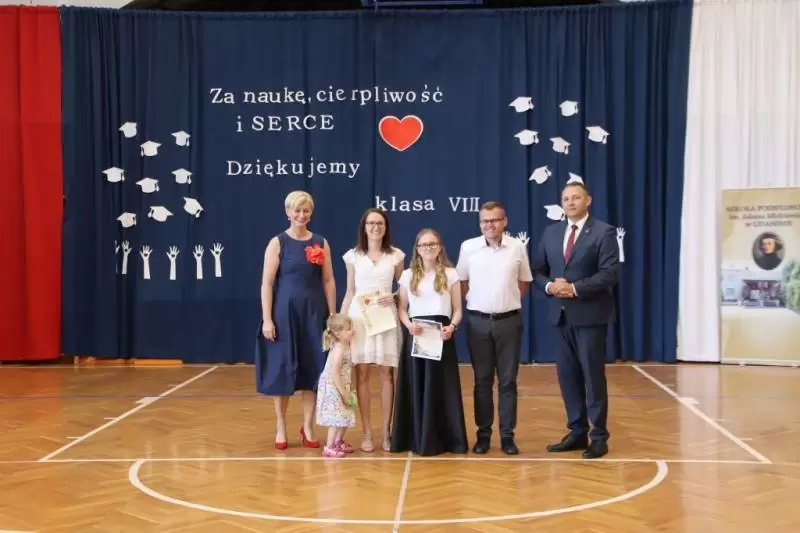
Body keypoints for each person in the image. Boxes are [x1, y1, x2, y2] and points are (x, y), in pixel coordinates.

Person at [531, 182, 620, 459]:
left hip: (591, 316)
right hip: (560, 317)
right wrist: (550, 287)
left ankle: (599, 436)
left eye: (576, 198)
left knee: (592, 377)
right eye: (566, 198)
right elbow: (537, 271)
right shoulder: (551, 232)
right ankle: (577, 431)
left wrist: (574, 288)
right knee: (568, 377)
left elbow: (610, 273)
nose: (570, 202)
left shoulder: (604, 232)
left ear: (588, 200)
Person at [255, 190, 337, 450]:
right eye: (297, 210)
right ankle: (281, 426)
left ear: (311, 213)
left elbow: (328, 280)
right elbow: (267, 283)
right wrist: (267, 319)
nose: (301, 215)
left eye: (306, 210)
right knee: (282, 369)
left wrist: (332, 315)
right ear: (288, 212)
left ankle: (308, 426)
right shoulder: (277, 242)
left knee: (314, 369)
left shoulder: (321, 242)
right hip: (284, 315)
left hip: (314, 314)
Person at [456, 201, 532, 455]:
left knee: (508, 382)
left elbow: (524, 282)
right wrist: (478, 302)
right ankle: (484, 435)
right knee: (482, 381)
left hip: (509, 322)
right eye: (485, 221)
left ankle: (507, 436)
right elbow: (462, 282)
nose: (490, 225)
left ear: (504, 221)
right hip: (477, 323)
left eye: (495, 220)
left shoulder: (517, 246)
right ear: (480, 224)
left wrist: (505, 302)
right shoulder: (468, 247)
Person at [391, 228, 468, 456]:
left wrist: (452, 327)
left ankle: (447, 440)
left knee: (442, 386)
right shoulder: (407, 276)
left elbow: (457, 310)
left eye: (432, 244)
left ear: (440, 247)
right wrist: (408, 325)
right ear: (417, 249)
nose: (428, 248)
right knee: (417, 385)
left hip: (442, 336)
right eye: (424, 245)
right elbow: (402, 309)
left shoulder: (451, 274)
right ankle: (415, 438)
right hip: (417, 335)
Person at [339, 208, 405, 452]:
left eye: (380, 223)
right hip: (360, 319)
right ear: (364, 227)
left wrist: (394, 296)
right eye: (371, 223)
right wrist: (340, 323)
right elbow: (350, 291)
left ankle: (386, 432)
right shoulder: (353, 256)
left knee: (387, 375)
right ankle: (367, 433)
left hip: (385, 318)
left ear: (385, 227)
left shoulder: (396, 255)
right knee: (363, 375)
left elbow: (403, 288)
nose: (376, 227)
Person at [316, 314, 358, 458]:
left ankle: (338, 441)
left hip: (343, 385)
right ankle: (329, 447)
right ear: (339, 334)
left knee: (346, 414)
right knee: (336, 417)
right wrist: (343, 393)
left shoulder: (347, 345)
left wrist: (350, 388)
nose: (353, 330)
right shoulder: (339, 349)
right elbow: (334, 372)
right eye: (349, 329)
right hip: (333, 386)